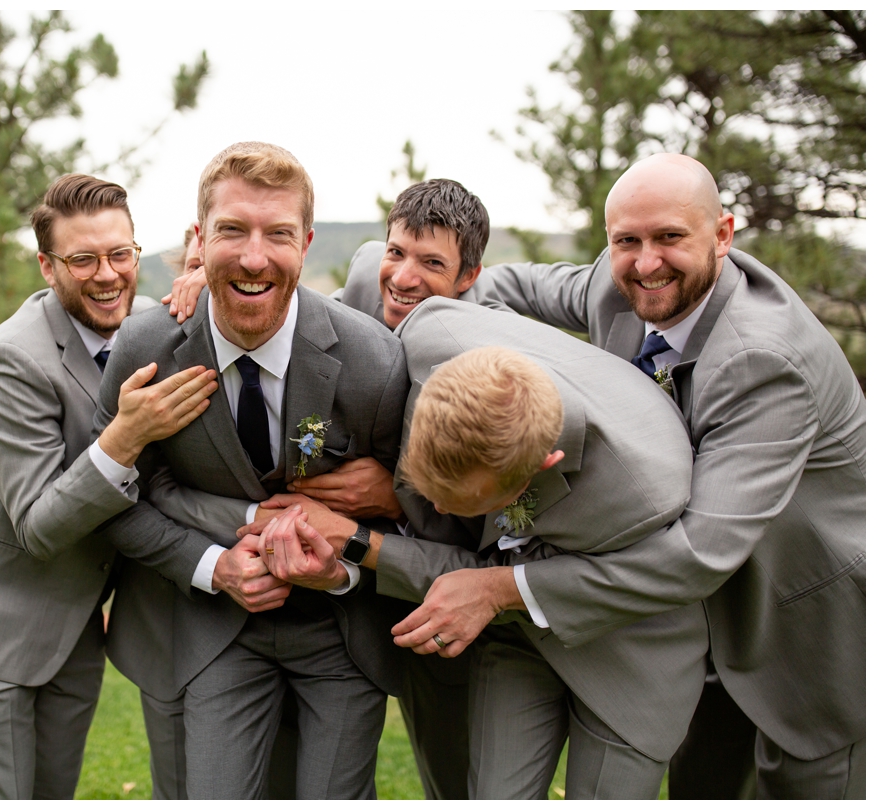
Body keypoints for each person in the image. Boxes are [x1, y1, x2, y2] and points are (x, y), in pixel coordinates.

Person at [480, 153, 866, 799]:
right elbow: (502, 288)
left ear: (722, 234)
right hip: (700, 626)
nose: (646, 261)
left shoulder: (762, 360)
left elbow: (697, 553)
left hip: (803, 620)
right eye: (626, 240)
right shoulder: (618, 282)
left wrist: (504, 587)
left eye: (670, 238)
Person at [257, 299, 707, 797]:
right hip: (516, 638)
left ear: (542, 464)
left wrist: (357, 542)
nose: (441, 516)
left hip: (626, 649)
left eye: (460, 503)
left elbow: (489, 578)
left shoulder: (640, 496)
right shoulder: (428, 334)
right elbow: (364, 275)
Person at [165, 177, 498, 798]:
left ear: (468, 276)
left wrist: (393, 495)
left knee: (453, 770)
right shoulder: (364, 305)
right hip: (280, 611)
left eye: (432, 264)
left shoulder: (473, 356)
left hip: (415, 598)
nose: (402, 277)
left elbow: (466, 532)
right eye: (397, 253)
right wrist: (202, 280)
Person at [95, 141, 408, 798]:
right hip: (214, 627)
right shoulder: (148, 349)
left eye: (279, 235)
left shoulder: (373, 363)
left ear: (308, 243)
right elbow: (120, 495)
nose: (255, 256)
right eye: (232, 230)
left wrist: (350, 561)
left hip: (341, 633)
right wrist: (214, 565)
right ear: (199, 239)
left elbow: (419, 514)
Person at [0, 173, 220, 799]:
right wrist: (126, 435)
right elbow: (39, 526)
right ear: (48, 267)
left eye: (120, 255)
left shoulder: (142, 331)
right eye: (83, 260)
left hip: (73, 626)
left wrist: (209, 291)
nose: (107, 275)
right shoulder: (10, 362)